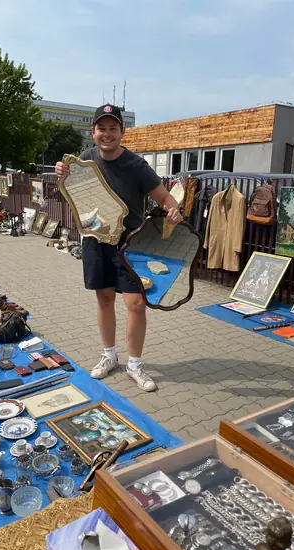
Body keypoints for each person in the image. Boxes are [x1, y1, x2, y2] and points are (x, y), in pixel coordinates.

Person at [55, 104, 182, 392]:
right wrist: (61, 173)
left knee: (135, 305)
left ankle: (134, 365)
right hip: (95, 240)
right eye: (102, 128)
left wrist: (175, 210)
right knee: (104, 299)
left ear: (122, 132)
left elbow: (165, 198)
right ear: (93, 132)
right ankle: (109, 356)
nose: (107, 134)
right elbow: (71, 194)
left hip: (130, 245)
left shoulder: (137, 166)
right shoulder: (84, 161)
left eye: (113, 128)